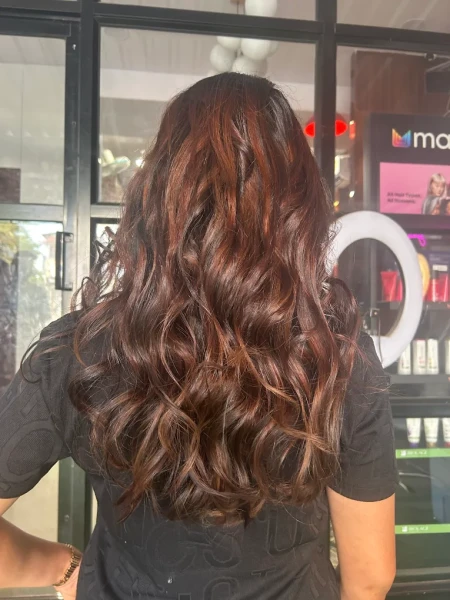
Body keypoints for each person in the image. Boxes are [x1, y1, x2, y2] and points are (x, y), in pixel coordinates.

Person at [0, 73, 397, 600]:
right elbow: (370, 577)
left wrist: (62, 567)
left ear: (156, 197)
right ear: (299, 209)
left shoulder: (77, 352)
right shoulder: (337, 356)